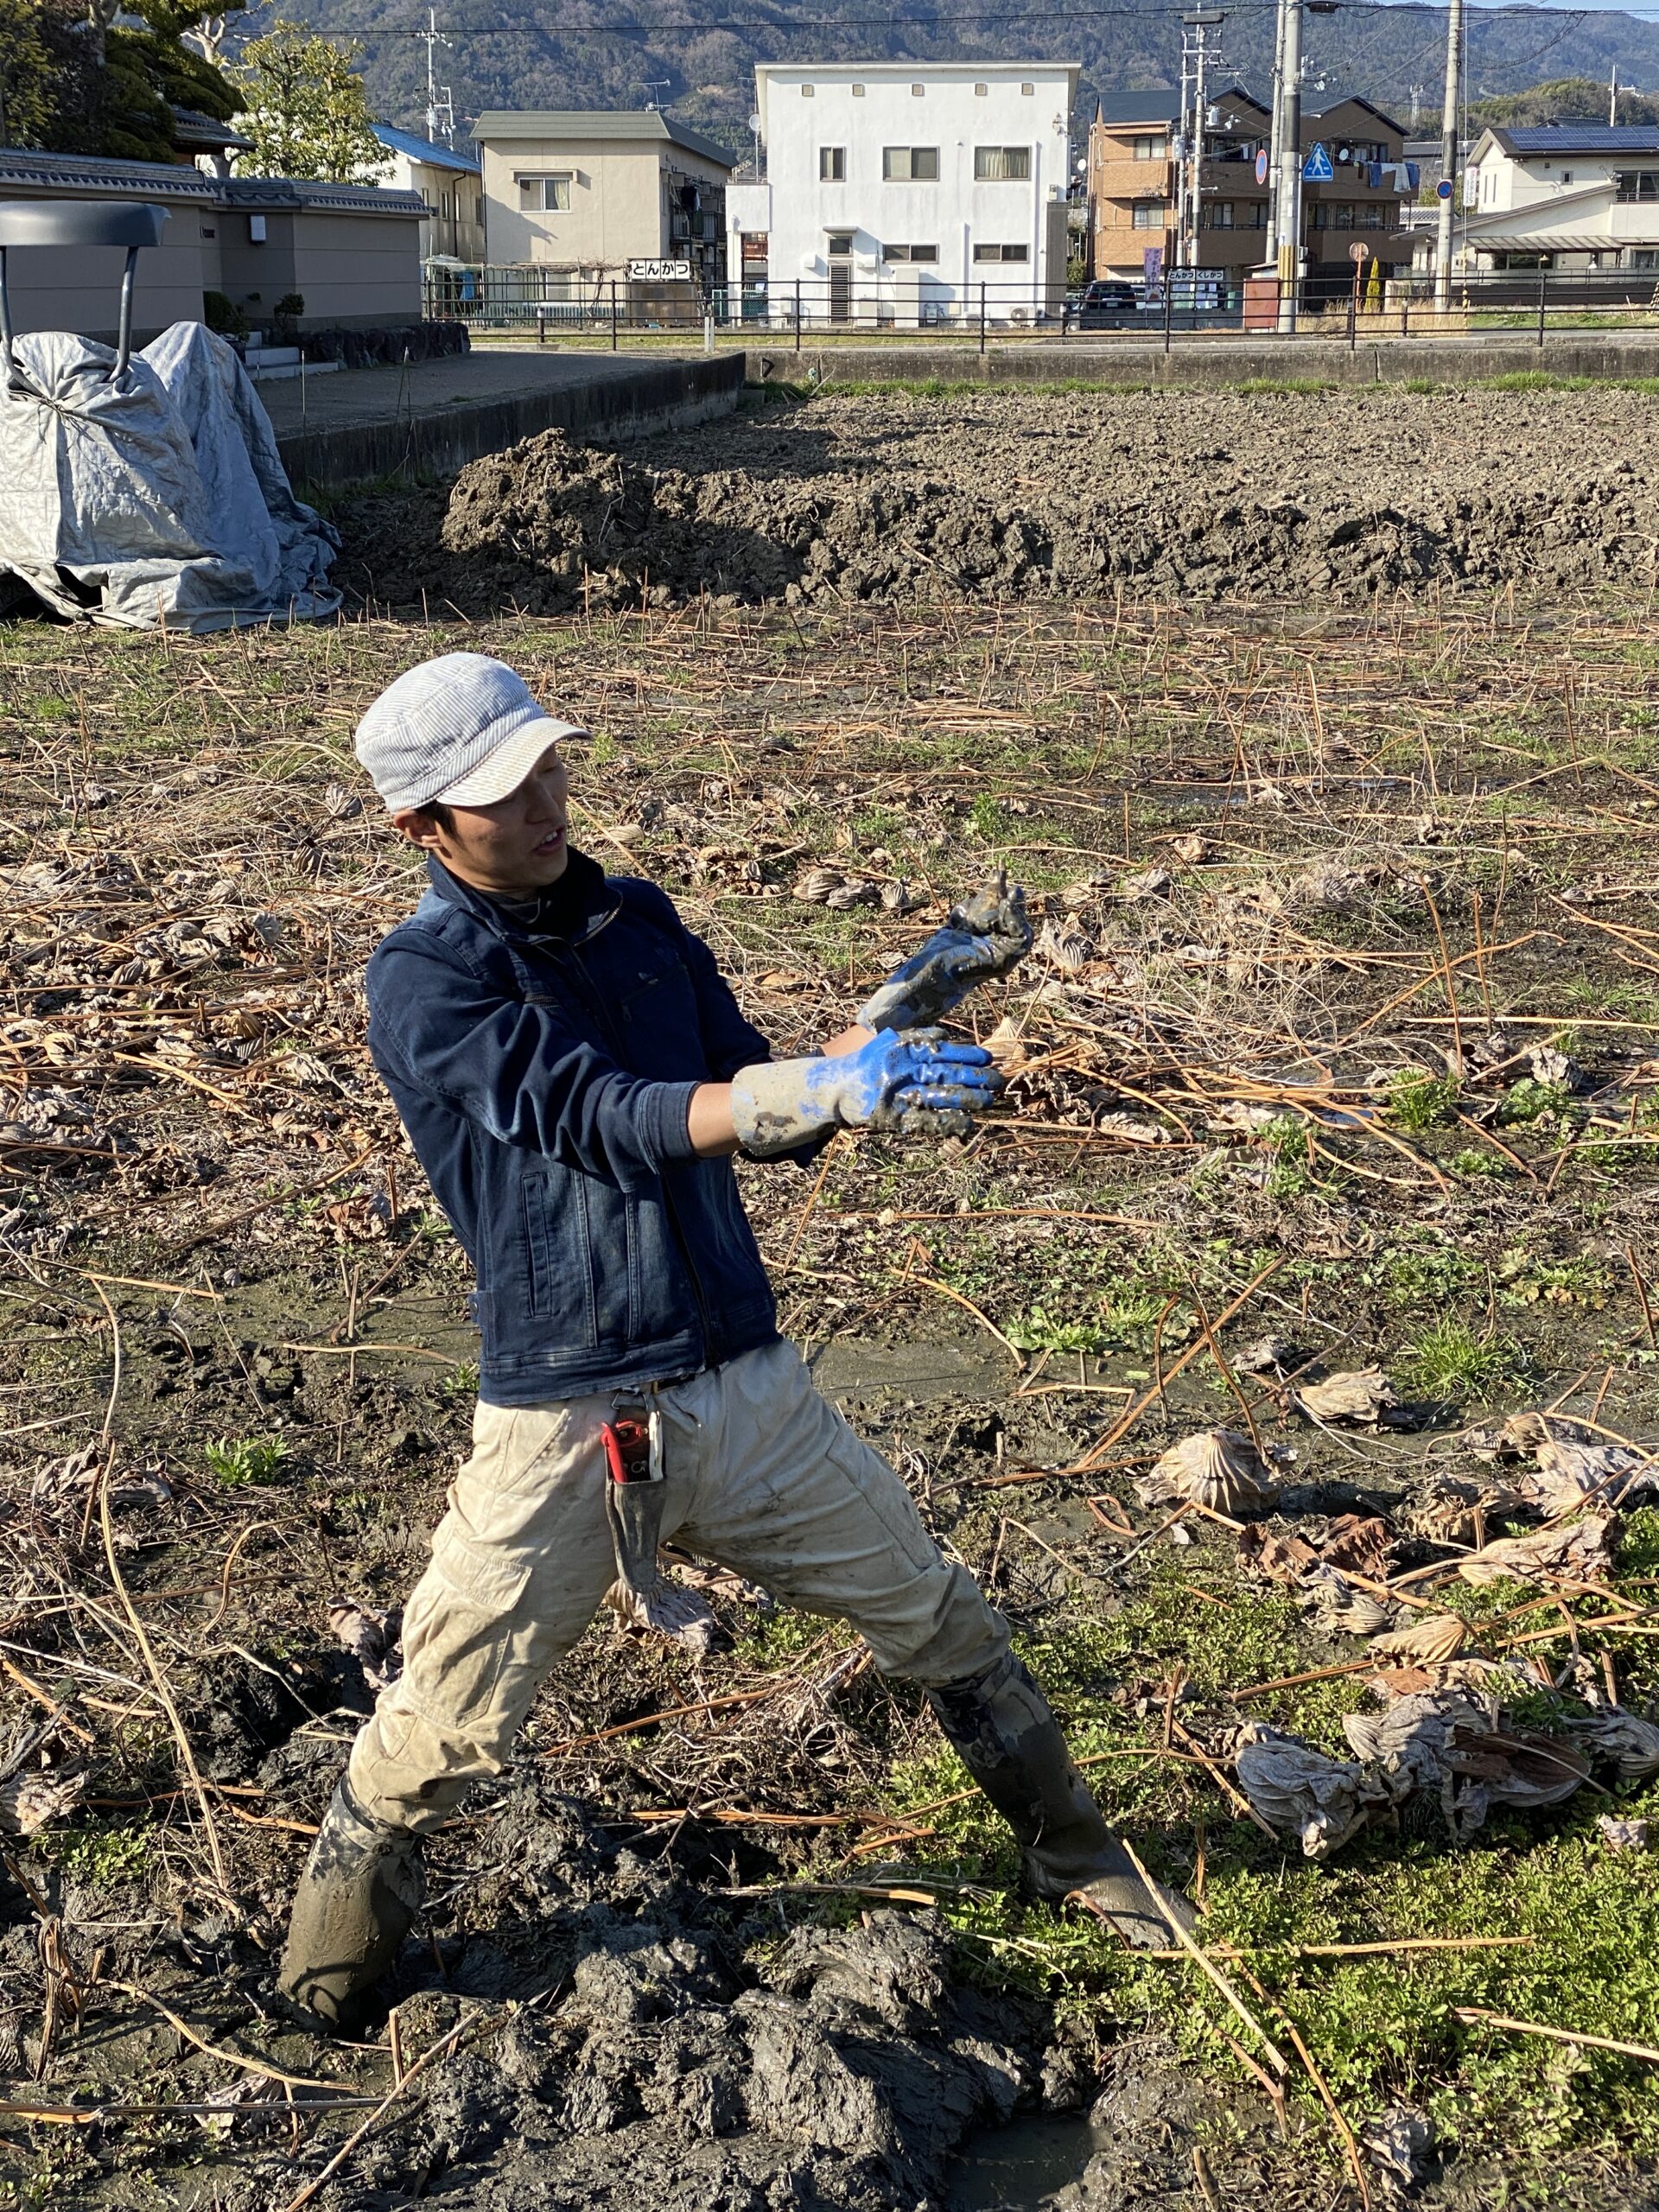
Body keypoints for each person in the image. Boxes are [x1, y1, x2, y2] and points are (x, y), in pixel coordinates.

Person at [278, 652, 1193, 2032]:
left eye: (548, 769)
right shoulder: (426, 981)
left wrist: (875, 1042)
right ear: (423, 826)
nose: (544, 805)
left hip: (747, 1391)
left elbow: (738, 1094)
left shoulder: (639, 921)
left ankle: (1078, 1857)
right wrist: (816, 1088)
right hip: (568, 1421)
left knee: (938, 1615)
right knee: (439, 1733)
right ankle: (323, 1987)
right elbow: (606, 1117)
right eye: (503, 794)